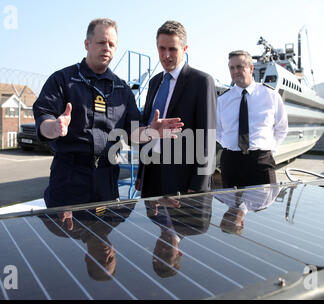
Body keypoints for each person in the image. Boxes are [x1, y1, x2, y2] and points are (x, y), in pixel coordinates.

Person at [33, 18, 183, 208]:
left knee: (102, 235)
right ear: (87, 44)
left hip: (106, 182)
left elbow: (132, 133)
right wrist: (54, 127)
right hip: (68, 181)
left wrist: (149, 132)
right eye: (101, 42)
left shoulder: (122, 89)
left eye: (112, 44)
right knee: (65, 236)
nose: (107, 48)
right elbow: (43, 117)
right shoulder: (62, 80)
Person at [135, 20, 217, 198]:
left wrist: (198, 185)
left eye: (172, 49)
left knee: (180, 226)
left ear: (185, 48)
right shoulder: (154, 82)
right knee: (151, 226)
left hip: (183, 178)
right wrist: (142, 173)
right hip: (151, 172)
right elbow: (150, 126)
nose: (166, 55)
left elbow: (207, 137)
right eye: (161, 48)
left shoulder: (201, 82)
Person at [216, 50, 288, 188]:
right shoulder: (222, 100)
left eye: (240, 67)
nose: (235, 71)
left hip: (261, 161)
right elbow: (217, 130)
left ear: (251, 68)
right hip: (231, 162)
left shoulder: (270, 96)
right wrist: (230, 144)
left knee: (265, 204)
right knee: (233, 206)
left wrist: (269, 149)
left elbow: (282, 128)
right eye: (232, 68)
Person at [215, 184, 282, 235]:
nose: (227, 221)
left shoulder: (217, 194)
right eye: (230, 225)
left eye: (223, 223)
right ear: (241, 224)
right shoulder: (263, 203)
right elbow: (279, 182)